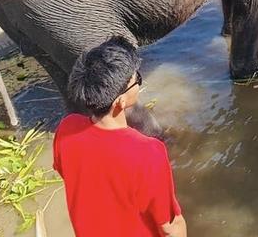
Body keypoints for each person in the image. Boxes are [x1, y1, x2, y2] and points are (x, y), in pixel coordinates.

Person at [53, 36, 187, 237]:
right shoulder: (148, 151)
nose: (138, 82)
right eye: (136, 80)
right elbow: (170, 225)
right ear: (120, 102)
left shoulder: (66, 129)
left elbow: (70, 174)